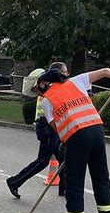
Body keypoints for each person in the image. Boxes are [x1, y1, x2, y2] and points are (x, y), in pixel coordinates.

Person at [37, 66, 110, 213]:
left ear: (46, 83)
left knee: (74, 182)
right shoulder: (76, 81)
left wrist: (66, 144)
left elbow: (57, 127)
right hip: (97, 131)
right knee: (101, 178)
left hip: (77, 138)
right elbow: (106, 71)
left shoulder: (47, 100)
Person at [6, 64, 65, 198]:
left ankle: (64, 188)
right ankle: (14, 182)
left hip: (48, 127)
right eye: (64, 71)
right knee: (43, 160)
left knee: (62, 158)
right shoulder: (47, 91)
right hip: (47, 128)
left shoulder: (48, 88)